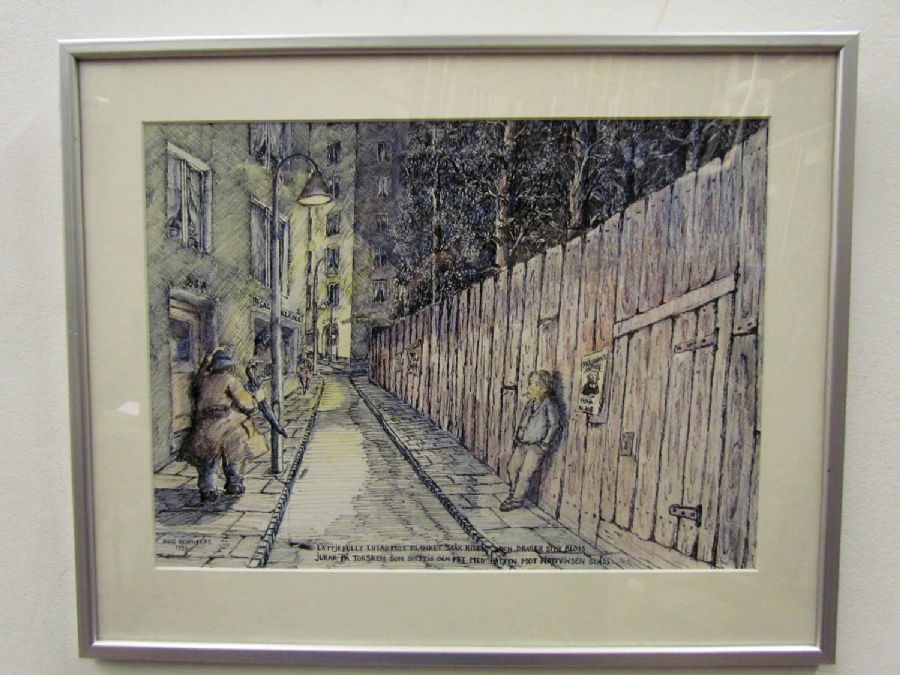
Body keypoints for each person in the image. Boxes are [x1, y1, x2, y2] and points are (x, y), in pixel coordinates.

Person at [177, 348, 258, 502]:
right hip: (225, 421)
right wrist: (251, 404)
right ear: (228, 366)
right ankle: (234, 482)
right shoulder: (230, 380)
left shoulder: (203, 381)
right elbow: (245, 404)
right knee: (235, 451)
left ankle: (208, 488)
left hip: (205, 425)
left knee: (207, 459)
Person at [501, 370, 562, 512]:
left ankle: (516, 500)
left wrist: (545, 443)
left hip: (536, 446)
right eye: (530, 384)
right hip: (523, 443)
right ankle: (513, 492)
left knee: (525, 473)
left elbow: (554, 425)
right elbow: (524, 421)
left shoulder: (549, 403)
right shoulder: (531, 403)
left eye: (535, 385)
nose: (530, 388)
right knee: (512, 467)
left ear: (544, 388)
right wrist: (519, 436)